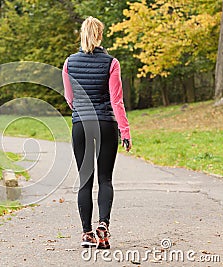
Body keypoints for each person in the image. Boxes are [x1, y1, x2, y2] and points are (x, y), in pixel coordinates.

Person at [62, 16, 132, 249]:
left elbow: (70, 99)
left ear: (81, 34)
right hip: (105, 124)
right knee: (105, 179)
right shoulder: (111, 63)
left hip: (81, 125)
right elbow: (116, 100)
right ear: (100, 35)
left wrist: (82, 110)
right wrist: (125, 131)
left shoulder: (69, 63)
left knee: (85, 181)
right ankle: (103, 226)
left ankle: (86, 234)